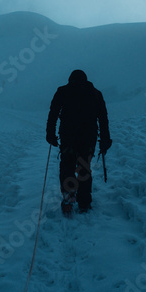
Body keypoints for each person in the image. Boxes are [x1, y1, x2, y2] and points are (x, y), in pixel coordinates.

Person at [46, 70, 112, 215]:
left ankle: (68, 197)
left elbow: (53, 113)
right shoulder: (95, 93)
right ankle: (84, 203)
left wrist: (50, 134)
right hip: (88, 138)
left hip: (68, 137)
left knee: (67, 164)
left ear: (70, 80)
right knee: (84, 167)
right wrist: (105, 139)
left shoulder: (62, 91)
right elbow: (103, 118)